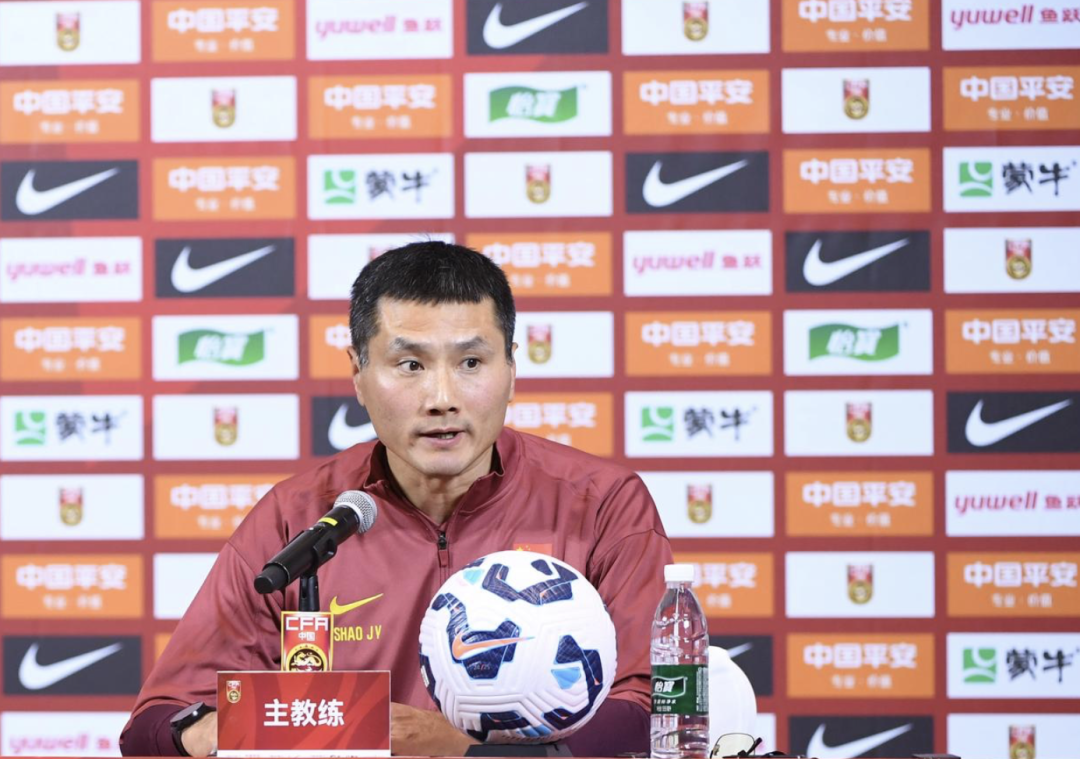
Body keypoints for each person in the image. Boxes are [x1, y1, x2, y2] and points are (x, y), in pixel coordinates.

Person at [120, 241, 673, 757]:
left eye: (471, 363)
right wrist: (247, 727)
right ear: (358, 374)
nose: (442, 398)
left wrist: (466, 749)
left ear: (511, 369)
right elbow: (157, 723)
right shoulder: (300, 516)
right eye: (410, 365)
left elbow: (653, 709)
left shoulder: (600, 503)